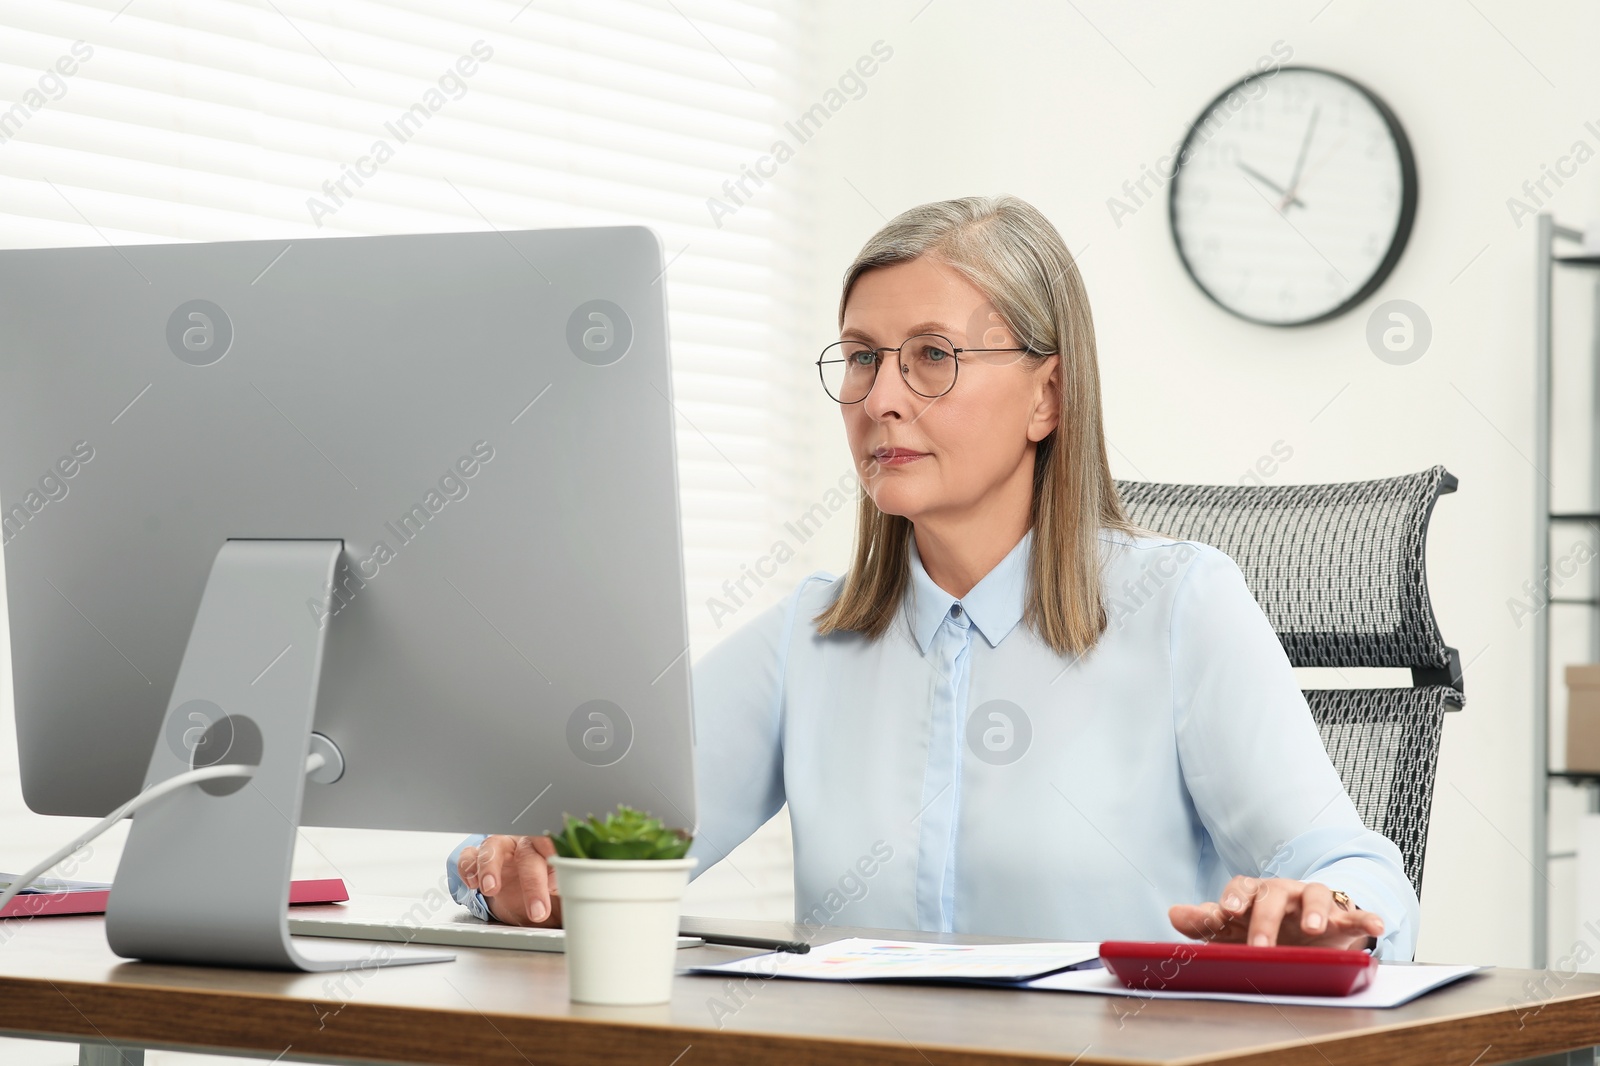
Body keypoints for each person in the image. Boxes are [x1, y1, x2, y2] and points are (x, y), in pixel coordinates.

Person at [446, 194, 1416, 958]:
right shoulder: (810, 636)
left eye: (932, 359)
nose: (880, 400)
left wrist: (1327, 908)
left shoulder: (1180, 608)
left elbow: (1350, 868)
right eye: (861, 359)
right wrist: (509, 867)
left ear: (1048, 393)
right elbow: (613, 846)